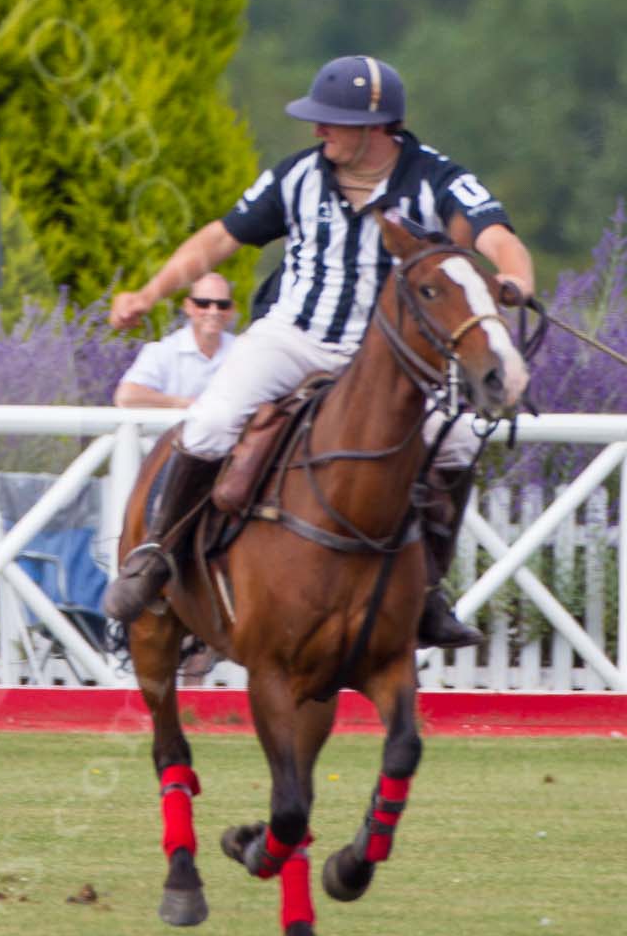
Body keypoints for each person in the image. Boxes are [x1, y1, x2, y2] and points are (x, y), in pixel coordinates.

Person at [103, 55, 535, 648]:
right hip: (293, 337)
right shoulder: (296, 176)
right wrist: (150, 291)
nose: (317, 131)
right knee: (208, 423)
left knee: (457, 441)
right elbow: (221, 236)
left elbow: (496, 236)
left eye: (331, 121)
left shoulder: (436, 178)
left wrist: (515, 278)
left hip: (387, 360)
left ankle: (430, 592)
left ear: (377, 127)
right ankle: (156, 555)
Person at [113, 273, 240, 408]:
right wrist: (188, 405)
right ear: (188, 306)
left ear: (232, 310)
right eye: (203, 304)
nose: (214, 311)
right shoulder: (162, 351)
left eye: (223, 305)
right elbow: (126, 397)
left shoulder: (243, 351)